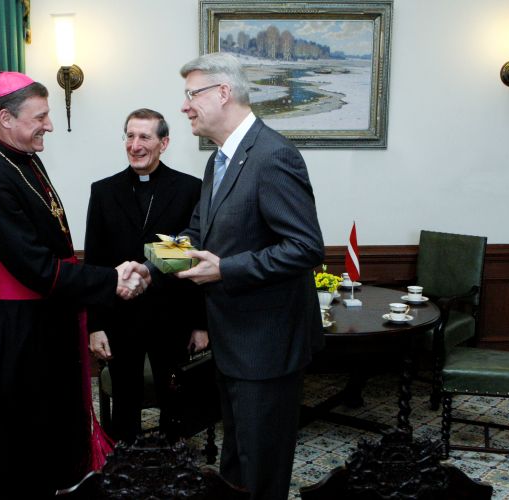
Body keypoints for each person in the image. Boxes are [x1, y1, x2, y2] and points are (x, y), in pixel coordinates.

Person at [0, 71, 149, 499]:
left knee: (60, 426)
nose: (48, 125)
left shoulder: (25, 159)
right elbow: (37, 268)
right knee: (27, 436)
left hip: (51, 317)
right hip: (22, 330)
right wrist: (111, 278)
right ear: (6, 118)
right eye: (40, 117)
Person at [173, 52, 325, 500]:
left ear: (223, 93)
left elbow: (305, 247)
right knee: (237, 461)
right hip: (232, 340)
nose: (185, 106)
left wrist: (226, 269)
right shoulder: (219, 159)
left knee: (261, 469)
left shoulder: (274, 155)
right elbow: (198, 232)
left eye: (191, 94)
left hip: (267, 346)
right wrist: (152, 262)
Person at [85, 108, 208, 443]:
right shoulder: (104, 191)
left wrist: (200, 324)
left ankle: (174, 462)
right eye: (130, 136)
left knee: (176, 399)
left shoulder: (189, 189)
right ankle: (125, 463)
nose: (135, 145)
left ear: (163, 143)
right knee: (125, 403)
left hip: (172, 316)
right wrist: (95, 326)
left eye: (144, 137)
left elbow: (193, 254)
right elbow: (94, 264)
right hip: (120, 318)